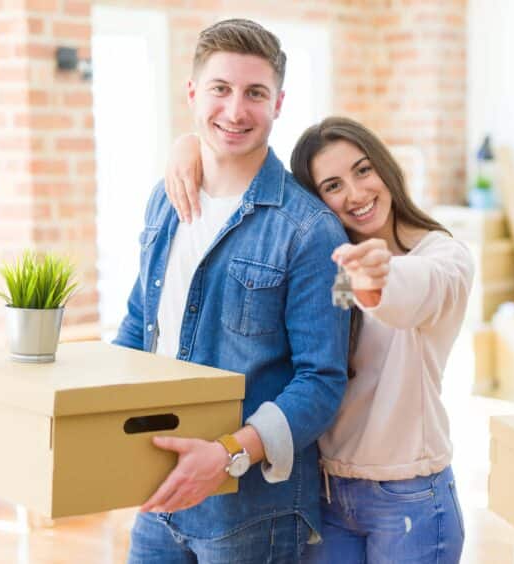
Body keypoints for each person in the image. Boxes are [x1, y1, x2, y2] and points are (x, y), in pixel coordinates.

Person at [166, 116, 473, 563]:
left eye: (363, 170)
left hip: (408, 499)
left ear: (385, 169)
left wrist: (378, 281)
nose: (355, 193)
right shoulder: (331, 268)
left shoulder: (443, 257)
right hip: (327, 494)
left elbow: (411, 293)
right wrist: (189, 145)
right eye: (333, 185)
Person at [113, 19, 350, 563]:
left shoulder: (309, 231)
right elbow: (137, 327)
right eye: (220, 89)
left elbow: (321, 381)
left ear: (279, 103)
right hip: (158, 495)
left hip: (252, 512)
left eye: (255, 93)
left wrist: (225, 455)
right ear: (193, 93)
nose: (236, 110)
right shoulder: (164, 200)